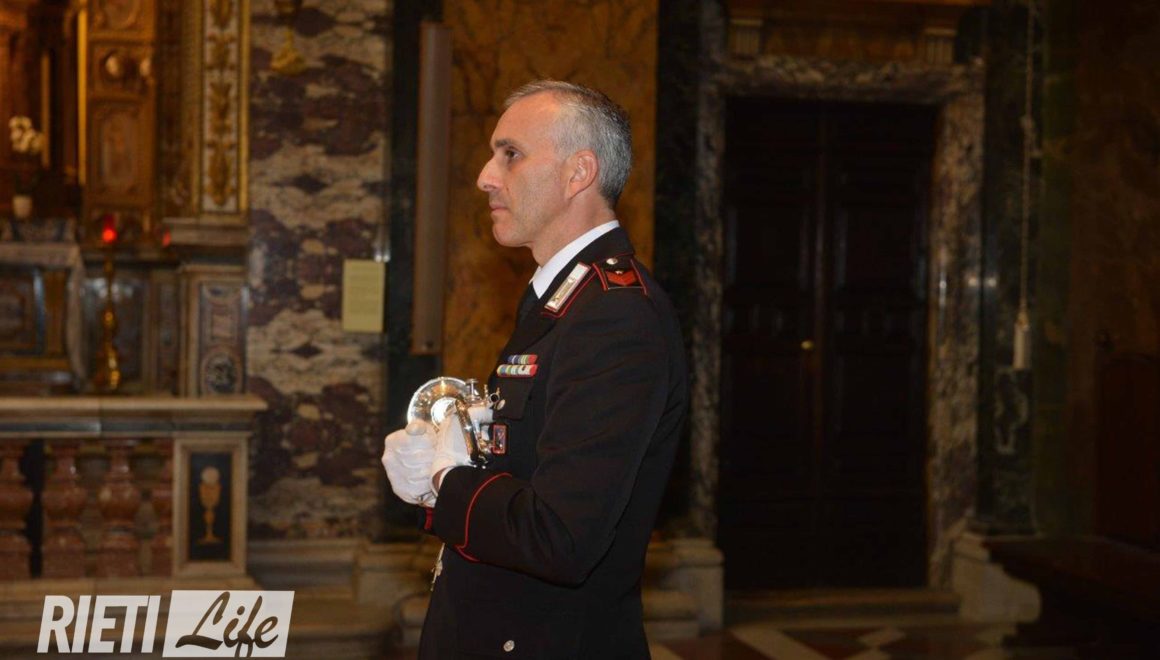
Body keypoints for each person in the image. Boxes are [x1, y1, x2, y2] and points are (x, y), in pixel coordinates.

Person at [382, 80, 688, 659]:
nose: (485, 176)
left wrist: (447, 479)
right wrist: (440, 471)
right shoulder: (561, 300)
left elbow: (559, 536)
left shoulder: (615, 315)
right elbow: (523, 464)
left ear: (578, 173)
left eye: (511, 154)